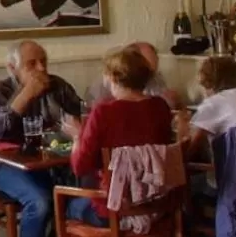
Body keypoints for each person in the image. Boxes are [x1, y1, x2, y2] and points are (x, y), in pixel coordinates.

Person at [0, 40, 83, 237]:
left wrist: (74, 129)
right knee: (40, 200)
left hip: (53, 159)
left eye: (44, 62)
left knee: (84, 186)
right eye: (31, 64)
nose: (41, 68)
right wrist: (25, 95)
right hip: (9, 166)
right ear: (12, 68)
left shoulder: (58, 86)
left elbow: (80, 118)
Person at [68, 45, 173, 226]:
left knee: (67, 205)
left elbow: (79, 166)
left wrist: (77, 137)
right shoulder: (160, 107)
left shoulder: (103, 112)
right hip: (157, 204)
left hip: (114, 209)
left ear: (113, 77)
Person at [86, 41, 179, 108]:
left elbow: (167, 103)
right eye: (145, 71)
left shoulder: (155, 76)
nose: (148, 76)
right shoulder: (108, 80)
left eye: (151, 72)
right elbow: (93, 107)